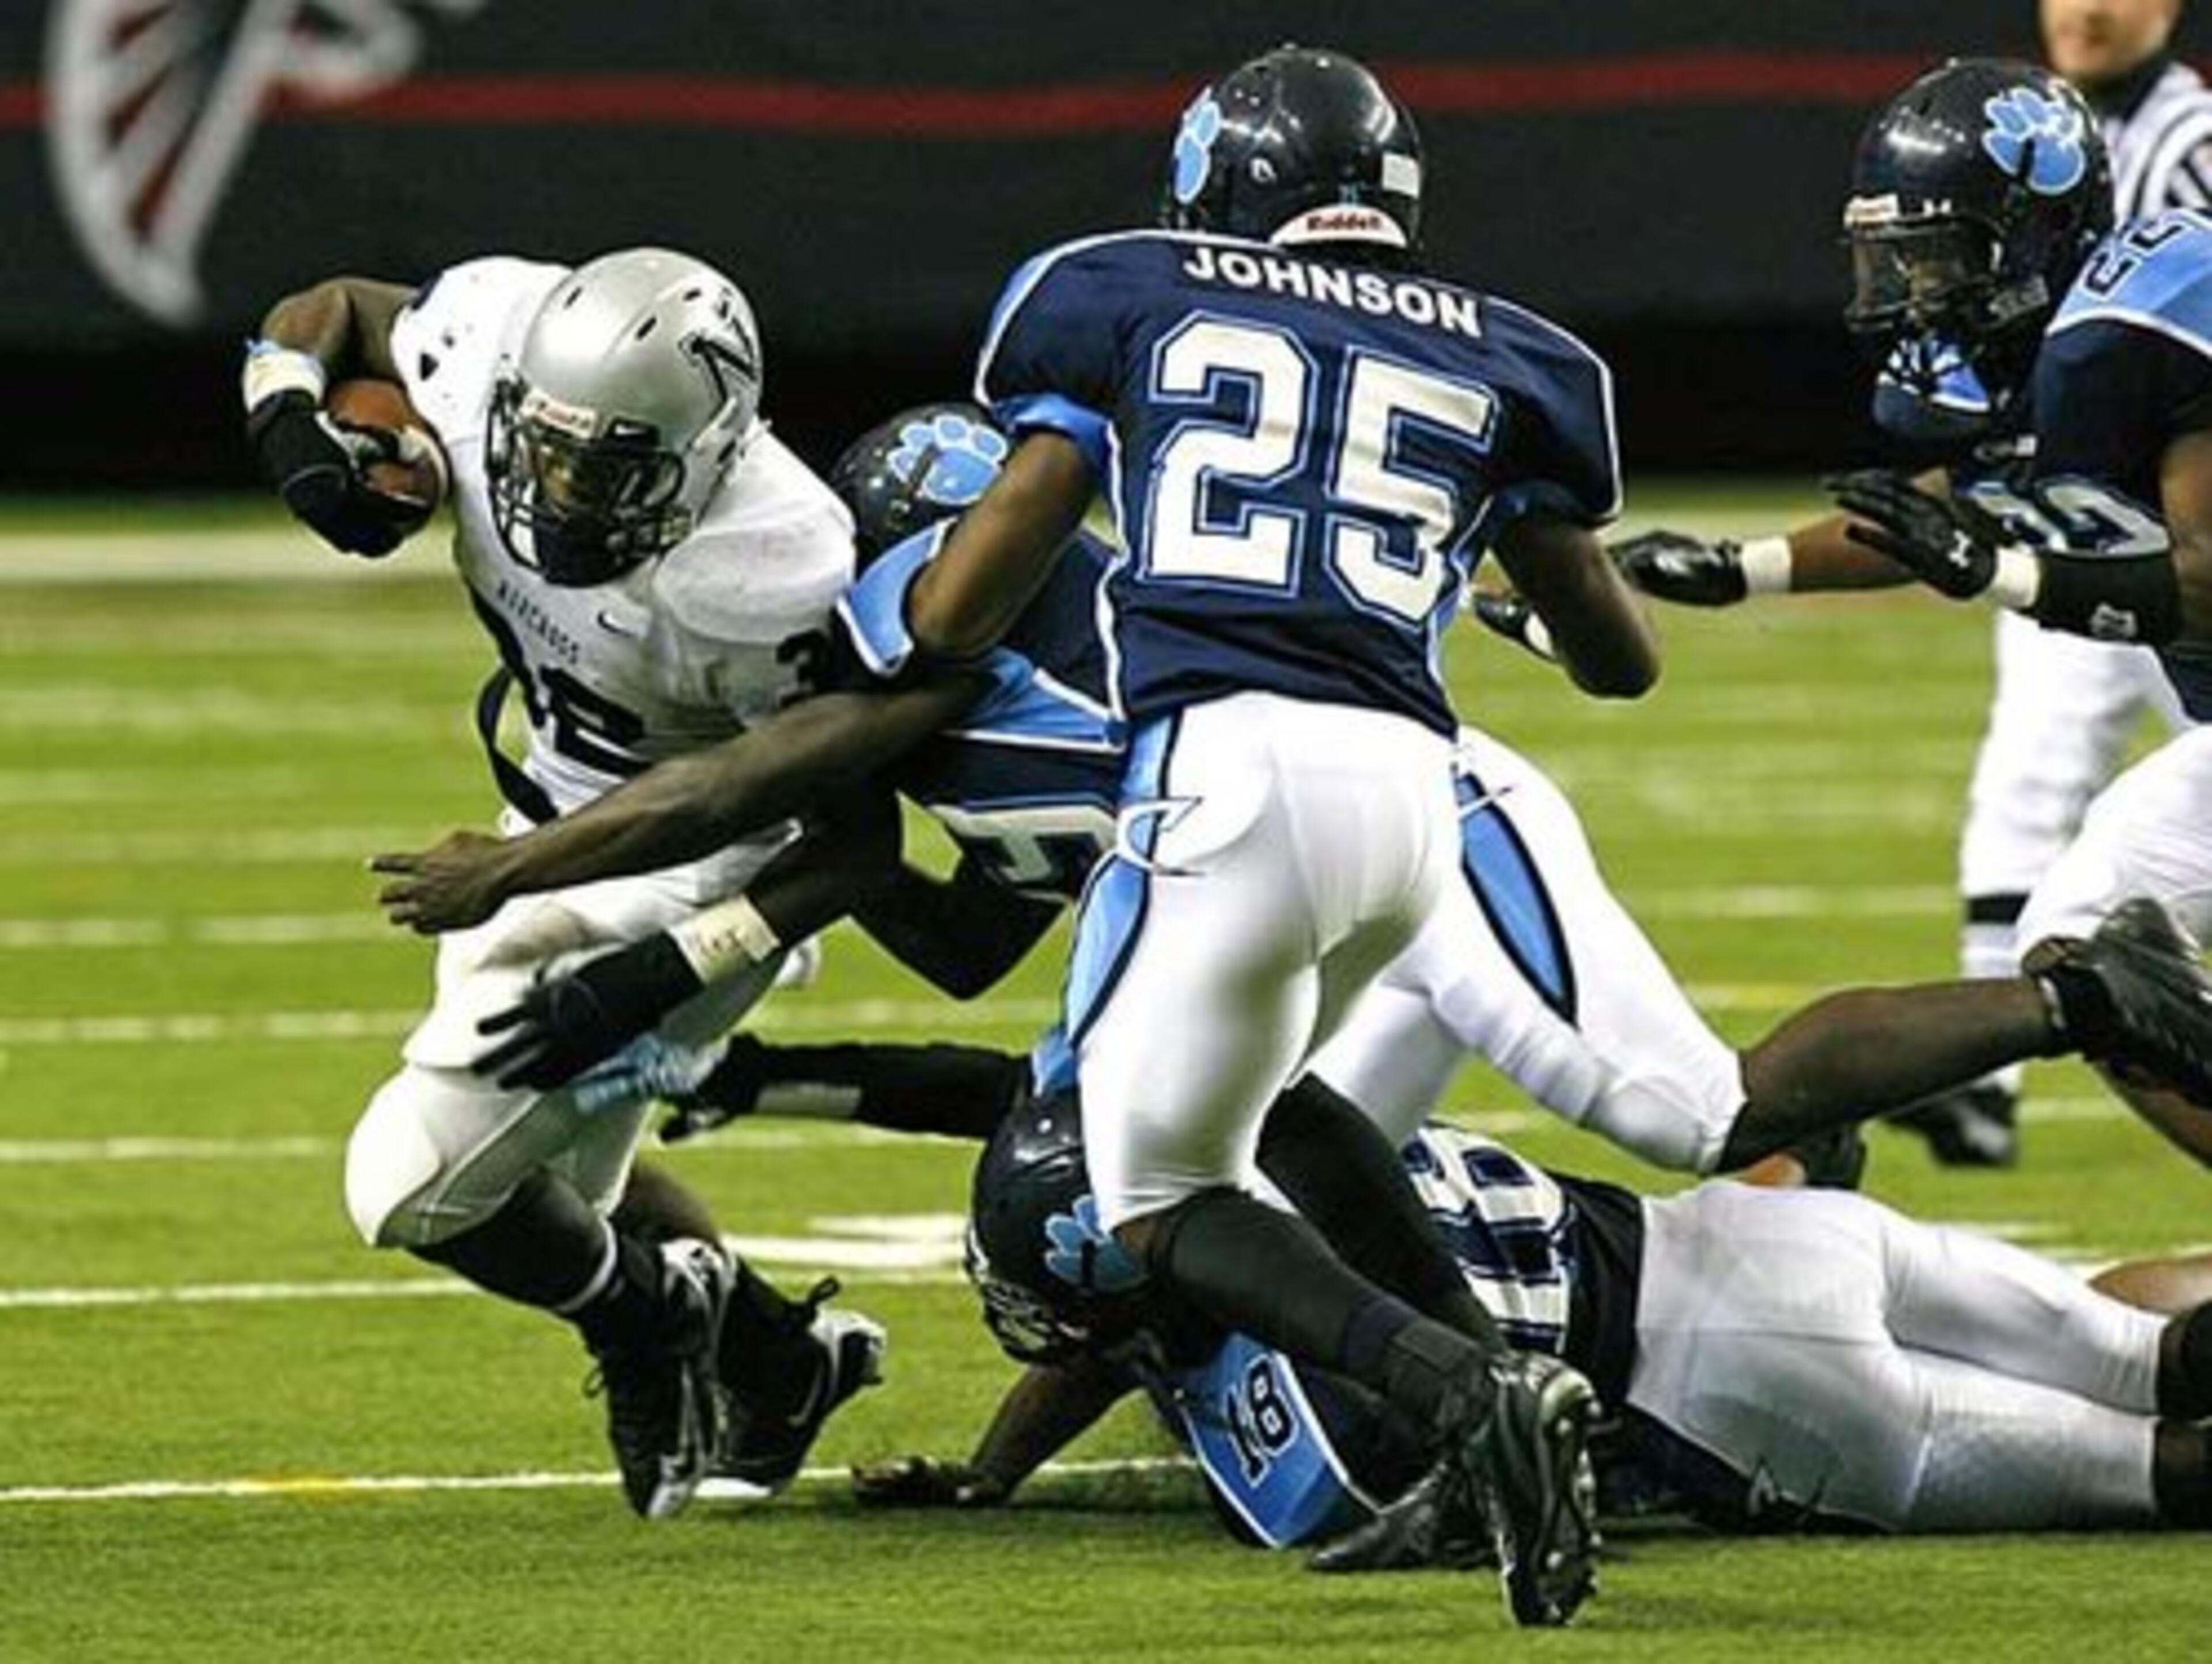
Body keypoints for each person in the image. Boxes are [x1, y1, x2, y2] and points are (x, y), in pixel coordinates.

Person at [240, 245, 890, 1519]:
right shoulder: (494, 337)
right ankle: (780, 1362)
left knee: (409, 1184)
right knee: (559, 1187)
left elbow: (855, 850)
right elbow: (340, 310)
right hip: (540, 822)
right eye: (543, 445)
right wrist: (292, 426)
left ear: (708, 455)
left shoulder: (774, 568)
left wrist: (666, 971)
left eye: (611, 467)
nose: (558, 485)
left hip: (695, 877)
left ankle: (650, 1319)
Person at [1612, 14, 2212, 1170]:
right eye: (1895, 254)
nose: (1909, 287)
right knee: (2090, 953)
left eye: (1936, 254)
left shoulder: (2151, 324)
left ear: (2030, 235)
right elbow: (1953, 508)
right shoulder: (2056, 355)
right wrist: (1745, 568)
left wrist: (2009, 574)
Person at [850, 1079, 2212, 1556]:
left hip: (1745, 1402)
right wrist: (995, 1466)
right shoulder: (1291, 1130)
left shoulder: (1310, 1401)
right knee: (2138, 1352)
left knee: (2151, 1470)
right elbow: (1133, 1328)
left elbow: (1353, 1461)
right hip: (1763, 1239)